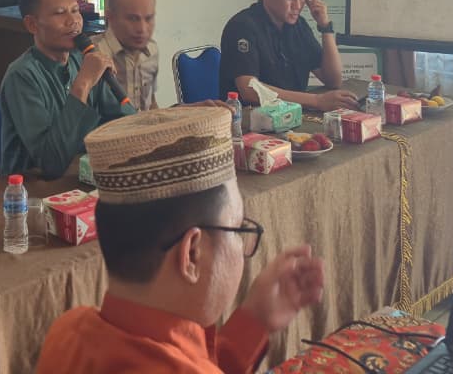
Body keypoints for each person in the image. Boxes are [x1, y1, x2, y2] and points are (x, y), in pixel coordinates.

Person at [35, 107, 325, 373]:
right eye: (238, 230)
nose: (242, 247)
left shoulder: (68, 333)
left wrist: (255, 320)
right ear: (192, 254)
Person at [0, 0, 136, 178]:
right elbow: (50, 163)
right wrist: (82, 84)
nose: (73, 21)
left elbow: (124, 123)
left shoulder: (83, 61)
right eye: (60, 13)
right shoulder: (21, 76)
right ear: (32, 25)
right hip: (30, 188)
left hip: (80, 176)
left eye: (75, 11)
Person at [218, 0, 358, 112]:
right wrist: (316, 101)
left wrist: (325, 27)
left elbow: (333, 80)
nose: (297, 6)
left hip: (291, 115)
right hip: (251, 119)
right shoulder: (242, 27)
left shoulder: (298, 26)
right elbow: (249, 90)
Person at [93, 0, 160, 112]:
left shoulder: (152, 50)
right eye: (133, 19)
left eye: (148, 18)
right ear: (111, 17)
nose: (142, 29)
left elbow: (151, 104)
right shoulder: (93, 54)